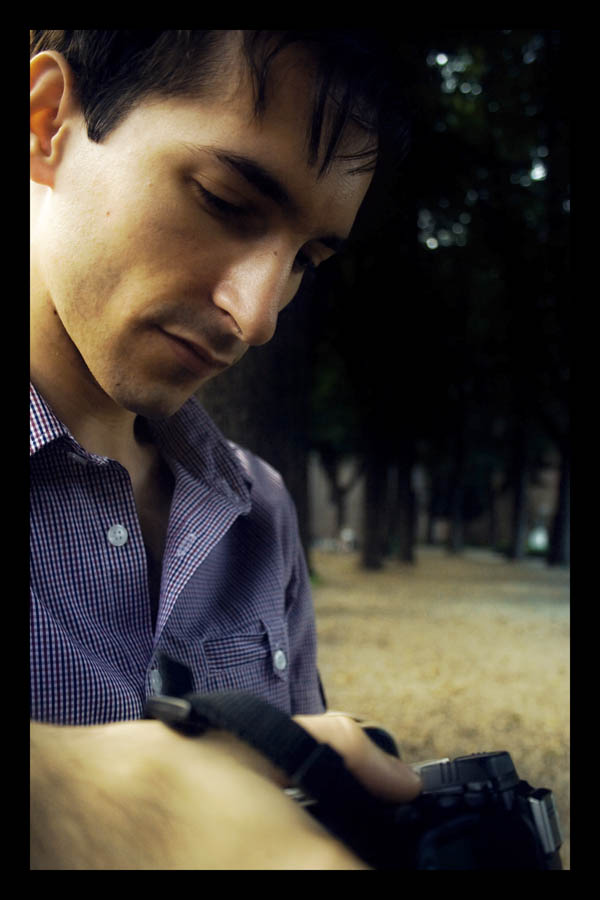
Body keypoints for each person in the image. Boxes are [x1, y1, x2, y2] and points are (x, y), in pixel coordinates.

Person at [30, 29, 421, 869]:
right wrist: (63, 792)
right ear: (46, 121)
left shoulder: (261, 512)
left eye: (306, 259)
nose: (259, 314)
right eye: (225, 201)